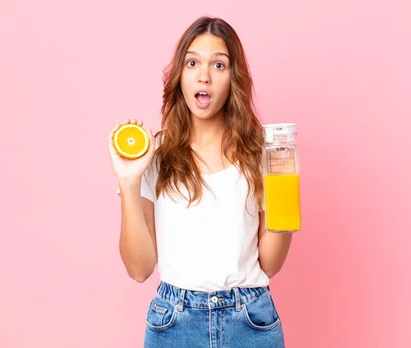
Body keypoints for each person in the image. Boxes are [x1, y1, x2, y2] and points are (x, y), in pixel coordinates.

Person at [108, 16, 293, 348]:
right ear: (180, 75)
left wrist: (285, 208)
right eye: (192, 62)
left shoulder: (260, 155)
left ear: (233, 78)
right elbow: (139, 269)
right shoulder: (156, 155)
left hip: (250, 321)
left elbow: (271, 263)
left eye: (219, 65)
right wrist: (129, 183)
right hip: (174, 325)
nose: (204, 75)